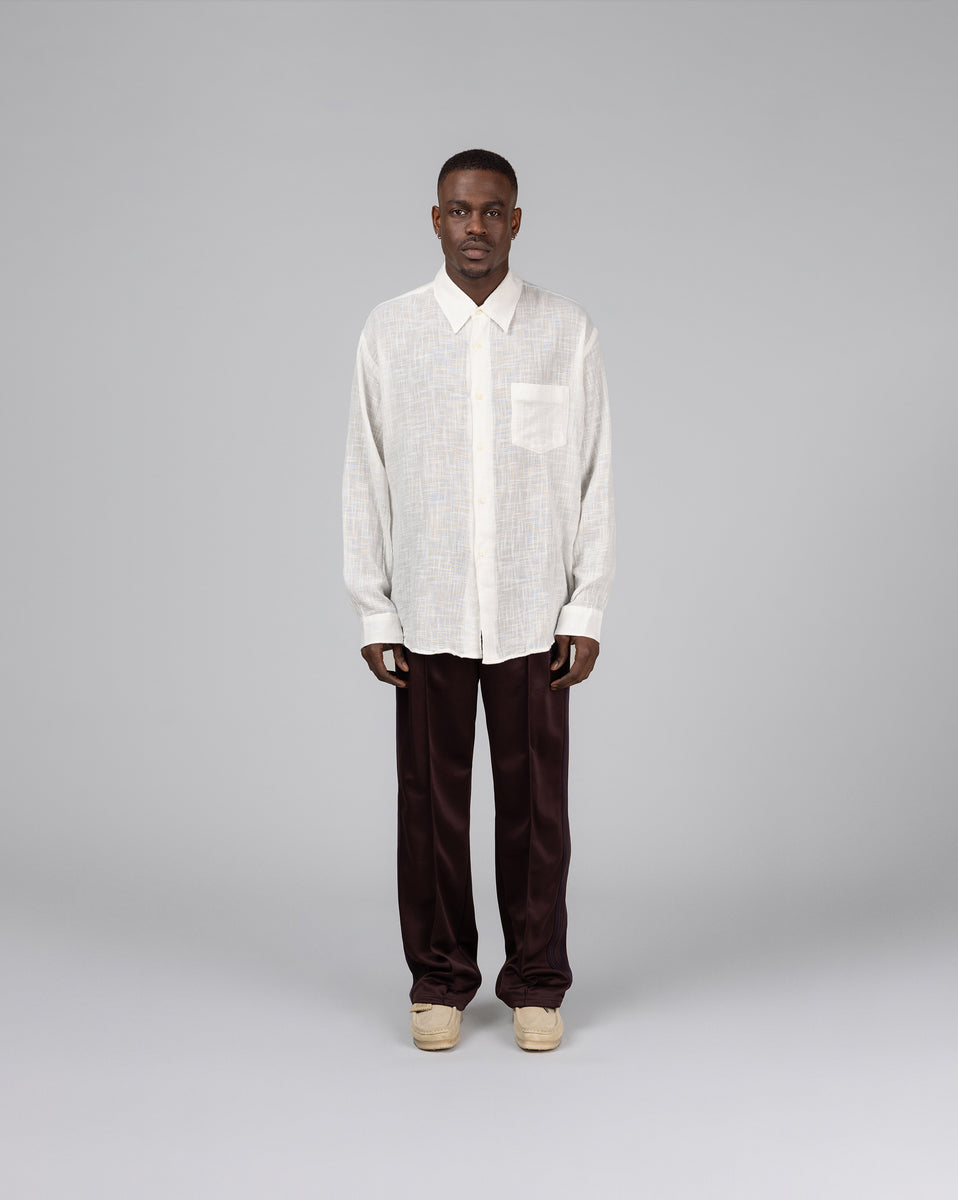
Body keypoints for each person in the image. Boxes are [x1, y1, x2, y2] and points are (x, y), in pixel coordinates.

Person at [342, 149, 615, 1052]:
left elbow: (594, 476)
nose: (475, 228)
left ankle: (536, 981)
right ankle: (439, 980)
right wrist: (375, 609)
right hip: (429, 611)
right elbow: (365, 475)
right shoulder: (390, 331)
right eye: (459, 211)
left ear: (516, 221)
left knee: (538, 809)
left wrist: (585, 609)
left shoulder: (564, 331)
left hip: (534, 613)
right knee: (430, 805)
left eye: (492, 211)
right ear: (435, 219)